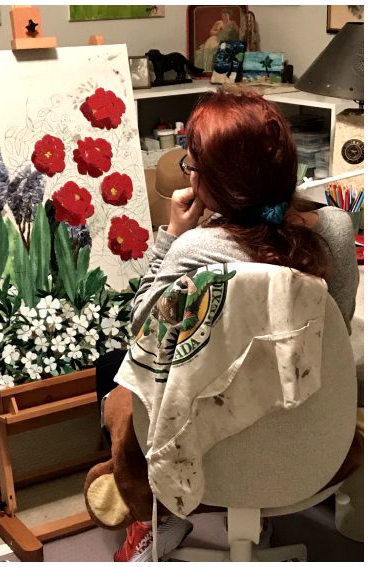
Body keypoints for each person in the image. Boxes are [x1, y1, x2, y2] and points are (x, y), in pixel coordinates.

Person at [111, 90, 359, 561]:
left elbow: (142, 331)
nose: (189, 174)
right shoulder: (337, 230)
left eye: (191, 167)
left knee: (114, 374)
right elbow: (336, 330)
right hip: (309, 437)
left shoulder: (195, 250)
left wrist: (171, 237)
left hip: (210, 450)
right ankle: (255, 517)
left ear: (213, 181)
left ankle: (155, 520)